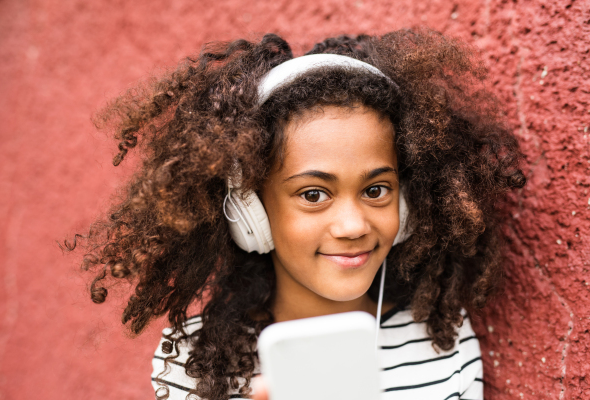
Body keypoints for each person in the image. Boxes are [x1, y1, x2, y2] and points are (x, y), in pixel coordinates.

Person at [69, 28, 526, 400]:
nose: (352, 226)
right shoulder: (193, 361)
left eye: (377, 189)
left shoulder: (439, 338)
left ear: (406, 204)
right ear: (250, 213)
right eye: (313, 194)